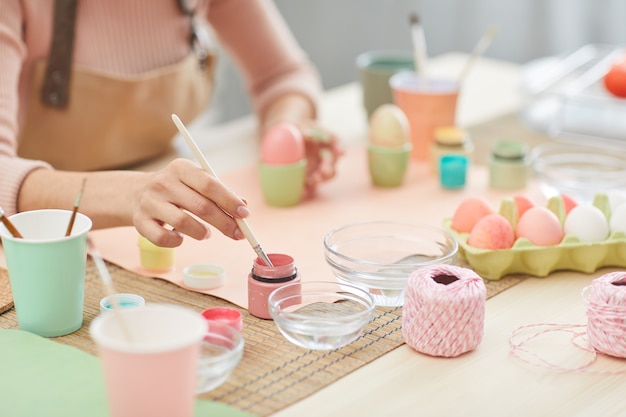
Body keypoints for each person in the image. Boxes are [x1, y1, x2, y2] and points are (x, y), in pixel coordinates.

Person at [0, 0, 342, 247]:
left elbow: (281, 75)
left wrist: (287, 130)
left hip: (157, 208)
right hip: (38, 236)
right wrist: (132, 193)